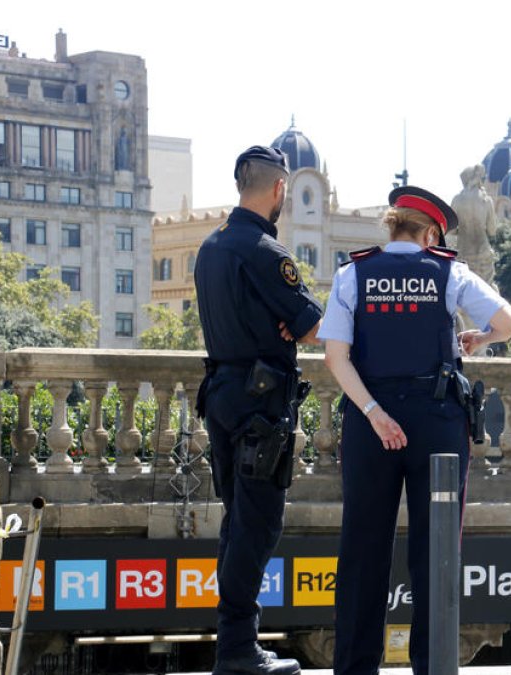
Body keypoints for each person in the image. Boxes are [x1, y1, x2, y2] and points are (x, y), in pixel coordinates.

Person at [315, 185, 511, 675]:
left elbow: (335, 358)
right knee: (436, 553)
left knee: (363, 550)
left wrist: (373, 412)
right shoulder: (450, 271)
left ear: (393, 226)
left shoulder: (353, 273)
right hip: (436, 425)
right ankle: (431, 666)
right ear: (431, 233)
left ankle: (355, 668)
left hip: (371, 425)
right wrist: (481, 336)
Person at [194, 145, 323, 675]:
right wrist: (294, 324)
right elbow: (315, 326)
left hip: (222, 395)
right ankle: (239, 649)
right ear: (278, 189)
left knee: (237, 523)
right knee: (258, 525)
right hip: (259, 407)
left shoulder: (209, 247)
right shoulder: (265, 252)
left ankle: (235, 644)